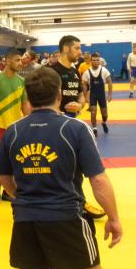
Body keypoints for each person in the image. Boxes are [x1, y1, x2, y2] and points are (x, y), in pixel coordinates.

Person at [0, 66, 122, 269]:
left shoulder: (13, 131)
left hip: (26, 218)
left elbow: (3, 177)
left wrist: (22, 196)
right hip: (67, 216)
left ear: (28, 96)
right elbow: (98, 181)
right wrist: (113, 218)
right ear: (60, 94)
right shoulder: (75, 128)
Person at [52, 36, 105, 220]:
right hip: (55, 127)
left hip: (71, 125)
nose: (80, 52)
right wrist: (57, 111)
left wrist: (80, 105)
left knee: (75, 167)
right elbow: (41, 100)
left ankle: (78, 202)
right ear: (66, 49)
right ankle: (72, 203)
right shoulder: (51, 72)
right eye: (77, 48)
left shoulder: (74, 71)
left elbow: (81, 95)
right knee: (60, 167)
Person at [0, 49, 30, 202]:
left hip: (17, 126)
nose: (20, 63)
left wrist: (30, 122)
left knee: (16, 158)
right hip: (1, 125)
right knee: (1, 158)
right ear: (8, 61)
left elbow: (24, 104)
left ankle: (7, 191)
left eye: (21, 60)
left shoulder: (21, 81)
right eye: (17, 60)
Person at [82, 53, 113, 137]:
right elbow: (84, 84)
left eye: (97, 60)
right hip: (93, 95)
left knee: (105, 114)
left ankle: (104, 122)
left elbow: (110, 82)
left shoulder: (104, 70)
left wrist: (110, 95)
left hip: (101, 95)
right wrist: (85, 96)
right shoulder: (87, 72)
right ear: (90, 61)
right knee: (93, 112)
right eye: (94, 60)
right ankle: (94, 128)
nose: (95, 62)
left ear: (99, 61)